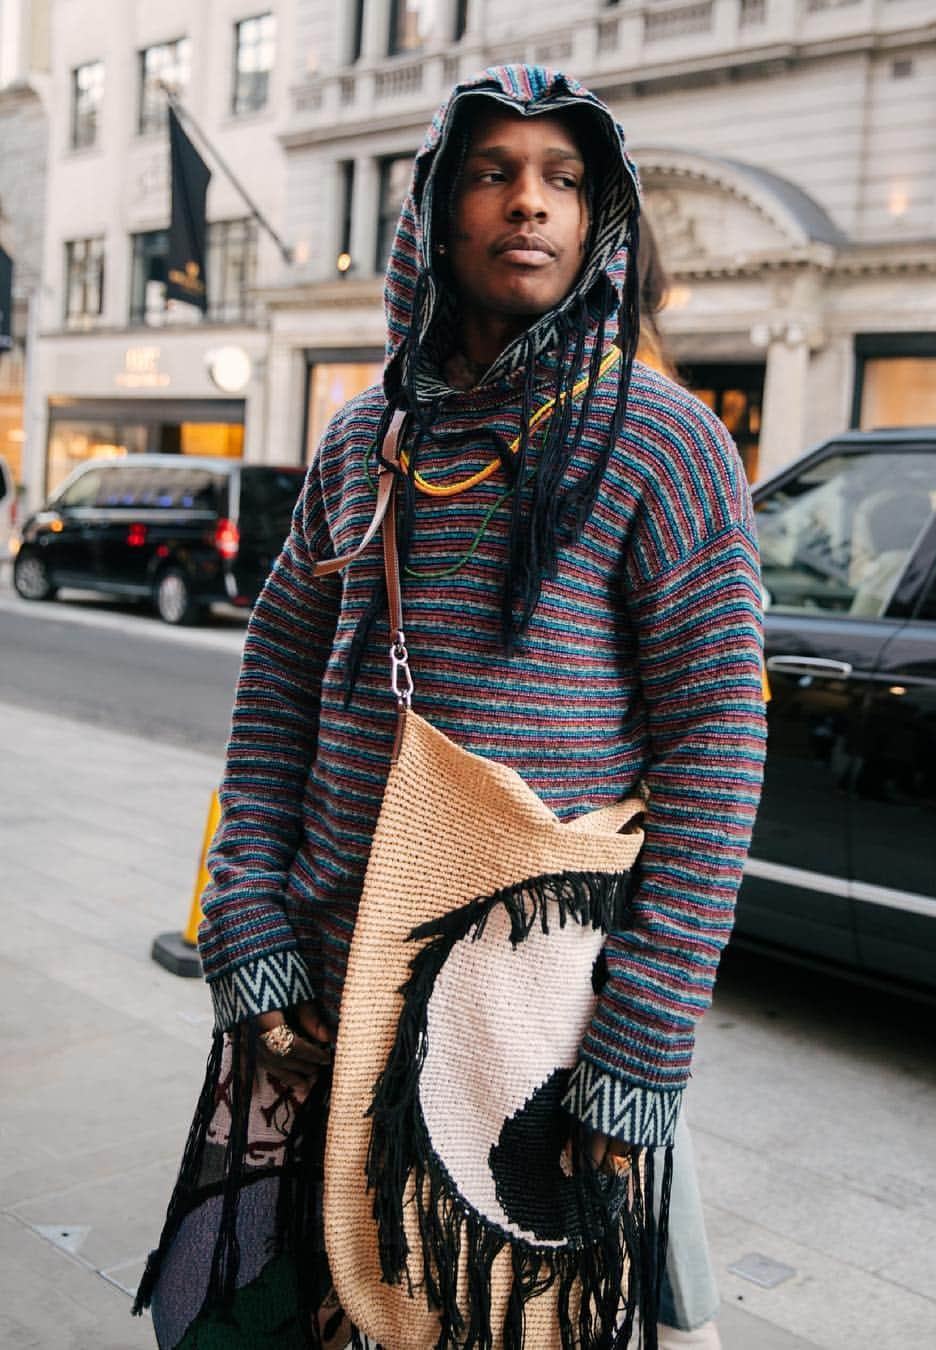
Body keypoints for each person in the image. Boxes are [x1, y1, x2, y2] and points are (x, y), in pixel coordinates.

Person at [136, 64, 766, 1350]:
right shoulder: (365, 437)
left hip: (525, 1021)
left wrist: (641, 1041)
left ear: (601, 221)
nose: (529, 204)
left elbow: (718, 740)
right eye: (492, 173)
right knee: (291, 1316)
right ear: (435, 212)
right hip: (310, 989)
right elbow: (274, 695)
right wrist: (241, 915)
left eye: (564, 181)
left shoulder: (662, 441)